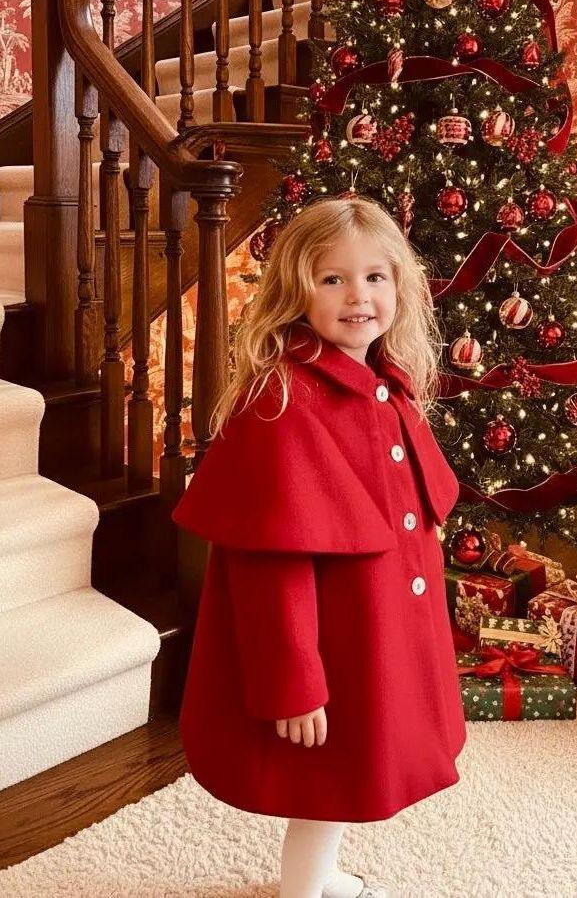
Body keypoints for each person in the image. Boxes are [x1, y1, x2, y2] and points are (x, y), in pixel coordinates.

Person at [171, 196, 467, 898]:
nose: (357, 296)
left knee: (343, 773)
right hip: (329, 643)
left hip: (371, 631)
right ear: (295, 290)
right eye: (332, 279)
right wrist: (293, 682)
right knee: (322, 781)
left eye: (374, 277)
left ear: (399, 286)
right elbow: (269, 565)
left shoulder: (386, 384)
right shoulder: (280, 401)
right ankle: (302, 890)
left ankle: (320, 876)